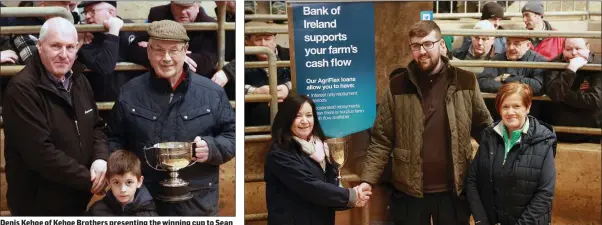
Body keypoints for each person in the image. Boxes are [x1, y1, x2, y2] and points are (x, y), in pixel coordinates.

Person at [358, 20, 493, 225]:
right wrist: (368, 179)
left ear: (441, 45)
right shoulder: (397, 85)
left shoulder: (465, 81)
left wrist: (499, 164)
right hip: (409, 190)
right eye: (416, 45)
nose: (422, 51)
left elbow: (485, 128)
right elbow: (381, 139)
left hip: (454, 190)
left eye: (428, 44)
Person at [106, 20, 235, 216]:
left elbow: (232, 135)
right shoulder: (130, 92)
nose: (166, 58)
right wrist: (125, 173)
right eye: (158, 50)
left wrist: (212, 148)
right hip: (145, 201)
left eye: (174, 50)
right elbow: (113, 138)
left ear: (186, 50)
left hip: (198, 200)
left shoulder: (212, 92)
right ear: (148, 51)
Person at [2, 17, 108, 216]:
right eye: (56, 46)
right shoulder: (21, 90)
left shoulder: (80, 80)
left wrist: (101, 159)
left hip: (76, 199)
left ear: (77, 48)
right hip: (37, 207)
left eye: (70, 47)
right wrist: (90, 180)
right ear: (40, 47)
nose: (64, 54)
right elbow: (41, 154)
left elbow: (96, 127)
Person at [265, 93, 370, 225]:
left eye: (309, 115)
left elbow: (329, 185)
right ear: (286, 119)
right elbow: (309, 186)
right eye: (297, 116)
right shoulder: (279, 154)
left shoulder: (321, 147)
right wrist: (350, 196)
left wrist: (349, 197)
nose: (305, 121)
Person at [467, 83, 556, 225]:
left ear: (528, 107)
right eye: (505, 106)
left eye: (516, 106)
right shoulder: (488, 136)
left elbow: (545, 193)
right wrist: (481, 220)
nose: (510, 112)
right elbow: (472, 180)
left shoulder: (544, 140)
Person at [77, 1, 145, 103]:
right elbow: (105, 67)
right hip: (102, 103)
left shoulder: (133, 28)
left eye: (92, 12)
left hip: (134, 102)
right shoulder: (87, 37)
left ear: (111, 12)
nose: (87, 16)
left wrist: (153, 45)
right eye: (85, 13)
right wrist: (114, 31)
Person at [129, 1, 218, 78]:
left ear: (198, 6)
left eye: (187, 7)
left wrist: (158, 51)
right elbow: (135, 49)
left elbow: (207, 61)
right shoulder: (158, 14)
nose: (183, 12)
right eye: (178, 6)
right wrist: (178, 56)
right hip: (157, 80)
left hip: (191, 81)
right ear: (171, 3)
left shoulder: (210, 25)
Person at [543, 38, 601, 142]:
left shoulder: (599, 64)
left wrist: (563, 94)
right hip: (559, 131)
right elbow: (555, 94)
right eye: (568, 49)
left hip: (591, 131)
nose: (574, 53)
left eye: (578, 48)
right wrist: (571, 69)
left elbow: (595, 101)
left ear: (587, 48)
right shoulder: (554, 63)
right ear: (563, 50)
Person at [244, 21, 291, 126]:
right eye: (258, 39)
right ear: (247, 42)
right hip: (254, 121)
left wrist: (288, 87)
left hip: (288, 119)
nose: (263, 44)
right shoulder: (239, 59)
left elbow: (306, 78)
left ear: (275, 39)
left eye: (267, 39)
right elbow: (231, 88)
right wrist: (255, 91)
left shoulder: (289, 55)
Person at [87, 150, 158, 216]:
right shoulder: (96, 212)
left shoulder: (149, 215)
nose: (123, 189)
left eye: (129, 182)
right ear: (108, 182)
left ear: (139, 181)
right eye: (116, 182)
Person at [478, 36, 548, 96]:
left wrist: (505, 78)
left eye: (516, 44)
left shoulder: (538, 60)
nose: (510, 47)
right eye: (508, 43)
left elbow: (538, 87)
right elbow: (482, 82)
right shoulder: (497, 59)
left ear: (528, 45)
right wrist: (516, 85)